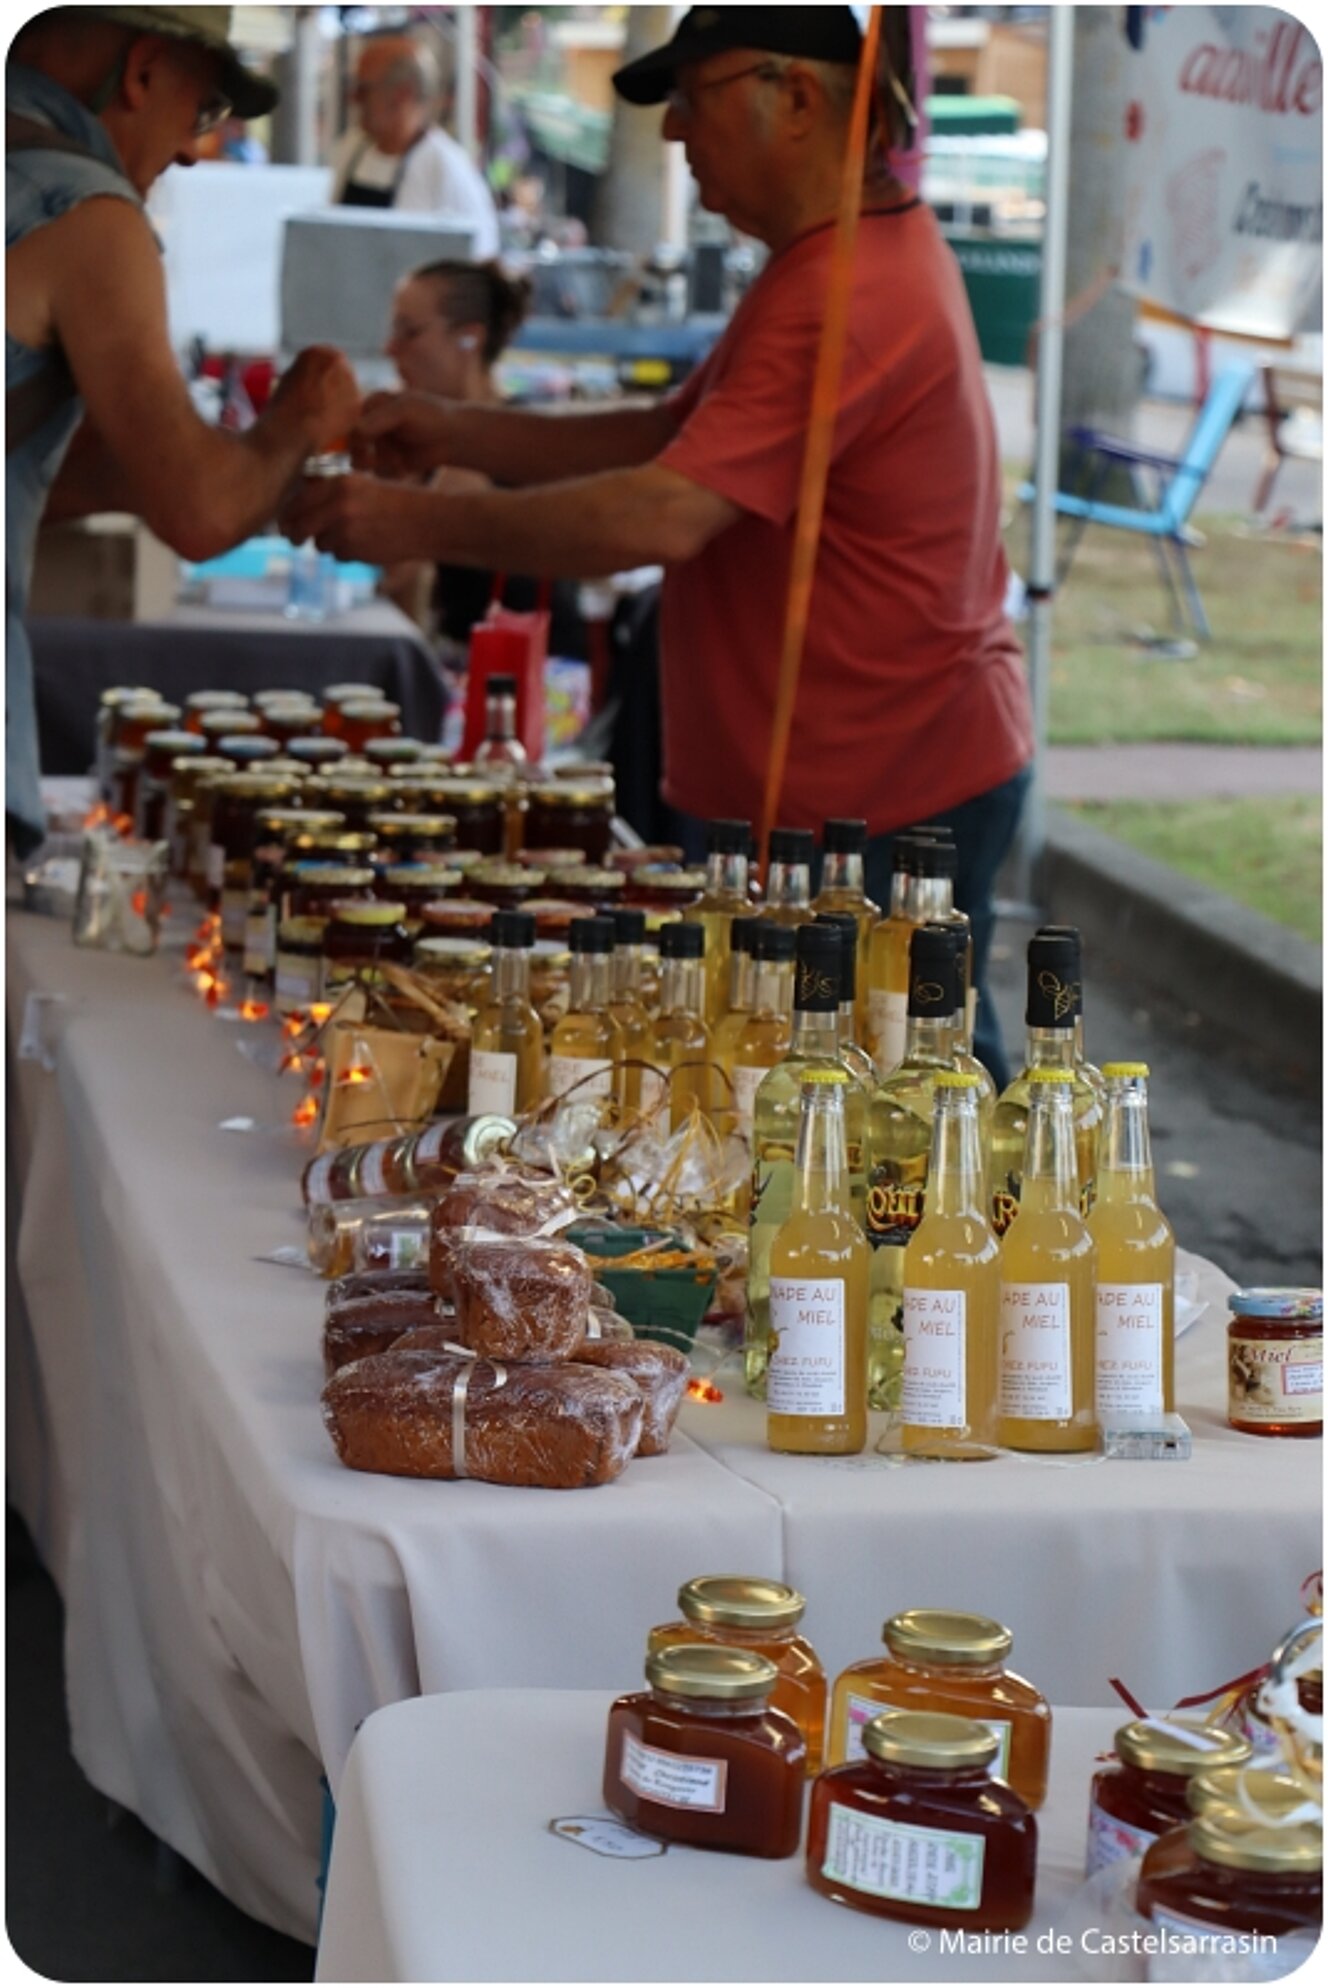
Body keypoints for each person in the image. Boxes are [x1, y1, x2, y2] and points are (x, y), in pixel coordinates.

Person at [283, 7, 1034, 1085]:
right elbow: (662, 437)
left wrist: (415, 517)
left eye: (694, 96)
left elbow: (661, 509)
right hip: (840, 785)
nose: (673, 132)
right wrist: (453, 431)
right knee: (832, 1095)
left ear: (800, 98)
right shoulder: (819, 261)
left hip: (884, 788)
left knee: (905, 1109)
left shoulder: (848, 288)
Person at [6, 4, 360, 857]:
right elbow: (200, 512)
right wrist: (297, 423)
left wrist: (179, 460)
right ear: (143, 72)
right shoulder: (87, 217)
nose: (195, 149)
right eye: (203, 111)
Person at [331, 35, 500, 256]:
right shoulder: (352, 149)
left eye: (363, 90)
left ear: (403, 94)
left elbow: (479, 259)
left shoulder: (445, 167)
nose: (353, 99)